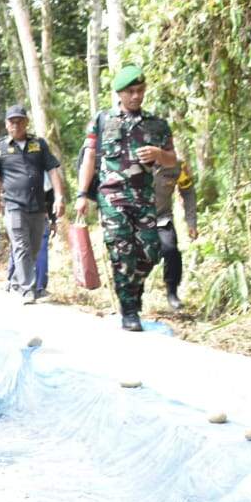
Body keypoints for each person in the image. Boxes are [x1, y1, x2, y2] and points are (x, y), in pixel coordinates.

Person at [74, 65, 178, 331]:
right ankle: (129, 310)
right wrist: (82, 194)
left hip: (143, 197)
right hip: (112, 198)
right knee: (122, 253)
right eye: (130, 91)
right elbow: (89, 158)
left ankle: (133, 291)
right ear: (120, 93)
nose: (136, 96)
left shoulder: (157, 124)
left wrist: (158, 153)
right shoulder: (102, 120)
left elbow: (172, 160)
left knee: (150, 251)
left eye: (140, 91)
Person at [0, 105, 64, 304]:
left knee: (34, 247)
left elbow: (53, 170)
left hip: (38, 206)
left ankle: (17, 281)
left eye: (20, 121)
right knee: (21, 245)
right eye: (12, 121)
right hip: (14, 206)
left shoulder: (39, 144)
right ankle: (28, 289)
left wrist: (60, 197)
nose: (16, 125)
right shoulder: (0, 149)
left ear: (26, 122)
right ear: (6, 124)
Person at [155, 160, 199, 310]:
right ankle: (132, 297)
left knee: (171, 250)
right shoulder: (133, 161)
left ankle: (172, 292)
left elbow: (188, 191)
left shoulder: (177, 166)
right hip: (138, 220)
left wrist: (191, 222)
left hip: (162, 219)